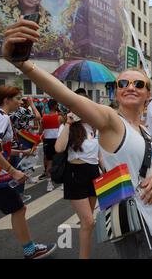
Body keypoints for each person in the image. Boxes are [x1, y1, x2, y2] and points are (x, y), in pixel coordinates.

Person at [2, 17, 152, 259]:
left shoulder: (144, 129)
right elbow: (69, 97)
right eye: (123, 83)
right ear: (117, 91)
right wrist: (24, 64)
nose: (130, 86)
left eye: (139, 84)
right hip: (137, 220)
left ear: (148, 94)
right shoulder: (111, 120)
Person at [0, 86, 57, 259]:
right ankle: (30, 250)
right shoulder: (2, 118)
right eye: (17, 98)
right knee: (19, 209)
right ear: (6, 100)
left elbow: (0, 149)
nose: (20, 102)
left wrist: (20, 153)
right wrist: (13, 171)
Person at [54, 111, 100, 259]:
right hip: (75, 174)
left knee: (88, 224)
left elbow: (99, 155)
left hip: (93, 174)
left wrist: (107, 172)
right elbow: (59, 148)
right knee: (89, 221)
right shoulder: (68, 126)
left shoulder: (94, 127)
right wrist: (68, 123)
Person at [40, 99, 61, 191]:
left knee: (49, 163)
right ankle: (63, 184)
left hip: (47, 142)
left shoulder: (44, 117)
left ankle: (49, 184)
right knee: (61, 162)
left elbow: (40, 131)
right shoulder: (60, 117)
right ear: (56, 106)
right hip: (58, 141)